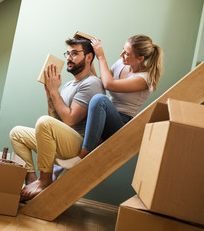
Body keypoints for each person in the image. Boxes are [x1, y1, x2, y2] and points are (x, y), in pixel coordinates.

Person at [10, 36, 105, 200]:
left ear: (89, 57)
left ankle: (44, 181)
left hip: (78, 146)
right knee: (16, 133)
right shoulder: (68, 85)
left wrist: (55, 91)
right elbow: (54, 120)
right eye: (67, 53)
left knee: (44, 122)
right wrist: (49, 94)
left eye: (74, 53)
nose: (69, 58)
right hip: (63, 141)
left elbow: (70, 121)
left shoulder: (92, 83)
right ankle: (32, 180)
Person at [56, 34, 163, 170]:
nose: (121, 54)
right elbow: (98, 82)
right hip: (104, 116)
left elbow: (108, 85)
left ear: (140, 59)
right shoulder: (120, 64)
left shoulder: (144, 79)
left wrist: (101, 56)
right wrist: (90, 58)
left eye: (126, 53)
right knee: (94, 98)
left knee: (99, 99)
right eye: (123, 50)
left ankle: (81, 157)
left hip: (122, 124)